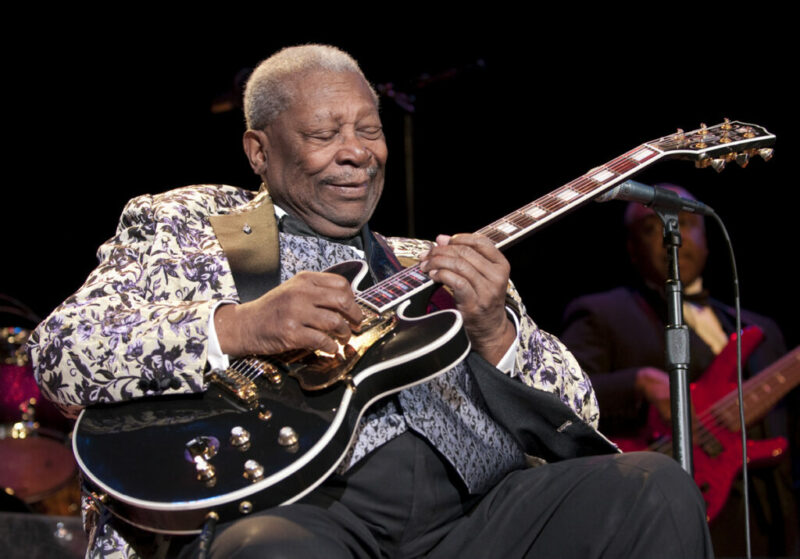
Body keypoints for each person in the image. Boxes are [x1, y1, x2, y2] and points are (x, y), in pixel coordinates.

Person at [28, 46, 713, 558]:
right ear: (259, 151)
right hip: (299, 511)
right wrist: (242, 326)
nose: (357, 153)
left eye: (369, 130)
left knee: (653, 486)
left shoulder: (427, 257)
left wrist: (497, 330)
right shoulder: (194, 225)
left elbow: (581, 413)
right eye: (325, 135)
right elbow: (61, 352)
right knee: (266, 549)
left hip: (470, 514)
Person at [560, 184, 799, 558]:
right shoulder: (602, 314)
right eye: (650, 229)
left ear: (706, 237)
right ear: (631, 248)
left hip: (771, 524)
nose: (674, 236)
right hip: (666, 516)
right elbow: (559, 399)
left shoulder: (762, 329)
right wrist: (636, 383)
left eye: (687, 223)